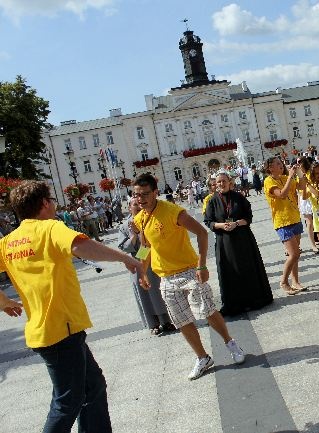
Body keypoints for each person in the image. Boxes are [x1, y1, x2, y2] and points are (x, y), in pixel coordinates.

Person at [0, 180, 142, 433]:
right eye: (52, 200)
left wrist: (4, 302)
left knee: (93, 386)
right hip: (60, 329)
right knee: (67, 402)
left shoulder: (9, 242)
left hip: (48, 330)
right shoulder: (49, 228)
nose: (54, 205)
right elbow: (81, 246)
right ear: (44, 203)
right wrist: (124, 258)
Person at [132, 174, 246, 380]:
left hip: (189, 271)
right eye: (136, 195)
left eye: (145, 194)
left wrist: (202, 265)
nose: (140, 199)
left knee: (208, 311)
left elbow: (202, 234)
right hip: (166, 277)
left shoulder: (173, 212)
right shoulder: (140, 218)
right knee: (181, 320)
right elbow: (145, 247)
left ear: (155, 193)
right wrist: (142, 270)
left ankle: (230, 343)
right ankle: (202, 357)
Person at [204, 170, 273, 316]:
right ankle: (235, 303)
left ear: (230, 182)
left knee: (247, 267)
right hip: (225, 241)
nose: (221, 184)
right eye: (219, 182)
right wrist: (221, 226)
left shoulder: (239, 197)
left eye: (224, 181)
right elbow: (208, 222)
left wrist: (236, 223)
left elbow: (248, 217)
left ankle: (253, 299)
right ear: (215, 184)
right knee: (229, 271)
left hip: (243, 239)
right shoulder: (212, 200)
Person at [118, 197, 174, 335]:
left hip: (153, 263)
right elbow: (124, 247)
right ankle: (153, 324)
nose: (137, 206)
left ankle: (166, 321)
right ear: (129, 207)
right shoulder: (124, 226)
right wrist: (134, 235)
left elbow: (155, 241)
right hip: (137, 267)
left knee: (158, 294)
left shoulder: (148, 220)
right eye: (134, 204)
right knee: (145, 296)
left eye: (139, 204)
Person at [264, 156, 307, 295]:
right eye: (277, 164)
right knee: (294, 254)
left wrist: (300, 174)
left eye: (280, 163)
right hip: (283, 221)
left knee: (295, 254)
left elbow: (301, 186)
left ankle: (295, 281)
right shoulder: (269, 181)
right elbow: (281, 194)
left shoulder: (284, 177)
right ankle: (284, 281)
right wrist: (290, 177)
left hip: (294, 218)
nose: (281, 165)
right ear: (270, 167)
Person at [297, 157, 319, 253]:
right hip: (305, 200)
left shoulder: (310, 173)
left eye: (300, 164)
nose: (298, 165)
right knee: (309, 223)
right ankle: (312, 244)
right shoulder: (299, 175)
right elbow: (300, 191)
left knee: (317, 221)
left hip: (313, 198)